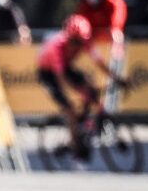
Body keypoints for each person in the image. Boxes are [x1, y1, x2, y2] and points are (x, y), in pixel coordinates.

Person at [37, 14, 115, 161]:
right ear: (68, 38)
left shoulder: (84, 41)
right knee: (70, 110)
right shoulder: (57, 46)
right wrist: (72, 96)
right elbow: (61, 79)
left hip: (65, 67)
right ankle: (76, 148)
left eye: (79, 42)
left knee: (90, 87)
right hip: (47, 73)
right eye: (73, 42)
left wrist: (117, 78)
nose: (76, 46)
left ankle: (84, 123)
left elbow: (100, 63)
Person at [73, 0, 127, 74]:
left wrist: (100, 33)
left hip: (109, 37)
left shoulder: (114, 2)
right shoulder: (85, 4)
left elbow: (115, 26)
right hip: (91, 39)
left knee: (116, 36)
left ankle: (116, 71)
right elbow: (78, 21)